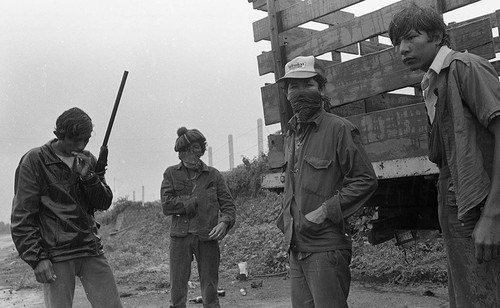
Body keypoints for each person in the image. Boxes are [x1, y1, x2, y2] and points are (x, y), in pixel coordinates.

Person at [389, 4, 500, 307]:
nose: (402, 49)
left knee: (483, 298)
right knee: (465, 295)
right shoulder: (433, 81)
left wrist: (492, 216)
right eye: (397, 42)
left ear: (437, 35)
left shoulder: (466, 68)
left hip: (476, 206)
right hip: (454, 200)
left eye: (411, 38)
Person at [276, 55, 378, 308]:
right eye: (292, 87)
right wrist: (285, 220)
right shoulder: (291, 134)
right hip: (296, 246)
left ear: (321, 89)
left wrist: (323, 212)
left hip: (325, 247)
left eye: (307, 85)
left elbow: (365, 180)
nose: (299, 93)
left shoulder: (340, 129)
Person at [11, 107, 122, 308]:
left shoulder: (88, 159)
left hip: (90, 248)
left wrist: (88, 177)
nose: (80, 145)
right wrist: (37, 259)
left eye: (85, 139)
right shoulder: (35, 160)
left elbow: (103, 203)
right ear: (59, 135)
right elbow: (22, 216)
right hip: (56, 254)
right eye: (74, 140)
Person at [161, 127, 236, 308]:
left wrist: (224, 223)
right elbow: (166, 204)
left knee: (210, 291)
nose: (192, 155)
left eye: (196, 149)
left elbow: (229, 207)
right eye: (186, 152)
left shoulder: (214, 175)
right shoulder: (171, 174)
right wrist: (191, 202)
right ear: (180, 154)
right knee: (177, 291)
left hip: (207, 237)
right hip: (180, 239)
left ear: (201, 150)